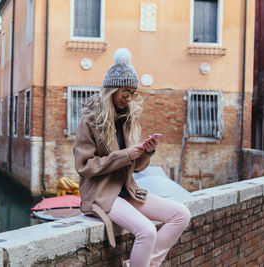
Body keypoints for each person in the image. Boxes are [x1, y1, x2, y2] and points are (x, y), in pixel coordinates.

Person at [73, 48, 191, 267]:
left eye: (132, 93)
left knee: (181, 214)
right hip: (101, 194)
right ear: (112, 90)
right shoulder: (89, 120)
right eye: (125, 92)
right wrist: (124, 155)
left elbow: (135, 168)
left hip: (128, 191)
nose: (129, 99)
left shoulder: (129, 119)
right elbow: (84, 166)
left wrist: (146, 151)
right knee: (147, 232)